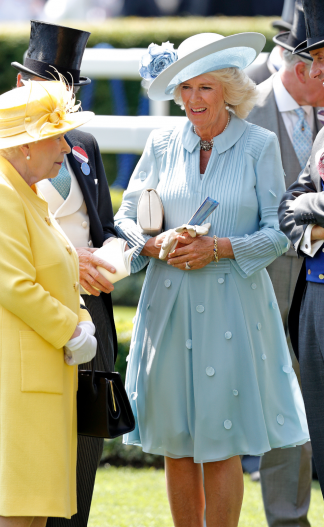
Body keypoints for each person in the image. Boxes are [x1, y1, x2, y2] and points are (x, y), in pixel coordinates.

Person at [116, 32, 309, 527]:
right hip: (170, 307)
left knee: (222, 444)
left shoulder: (259, 146)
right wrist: (154, 245)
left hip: (234, 309)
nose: (193, 99)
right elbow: (127, 218)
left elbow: (279, 233)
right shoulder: (160, 143)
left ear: (227, 89)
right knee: (177, 445)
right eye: (185, 88)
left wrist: (219, 248)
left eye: (204, 88)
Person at [0, 24, 118, 525]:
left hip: (39, 367)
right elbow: (15, 285)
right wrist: (73, 329)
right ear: (26, 145)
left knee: (39, 508)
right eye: (55, 139)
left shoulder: (19, 184)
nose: (66, 149)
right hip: (21, 369)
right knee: (22, 509)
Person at [245, 2, 324, 523]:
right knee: (280, 407)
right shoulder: (244, 110)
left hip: (319, 287)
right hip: (266, 284)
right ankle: (289, 519)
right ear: (303, 69)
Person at [279, 0, 324, 503]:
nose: (315, 69)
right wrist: (316, 222)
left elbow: (303, 199)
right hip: (313, 304)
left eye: (323, 57)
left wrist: (311, 203)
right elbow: (290, 207)